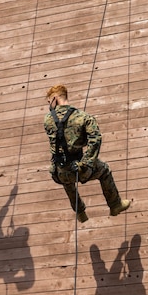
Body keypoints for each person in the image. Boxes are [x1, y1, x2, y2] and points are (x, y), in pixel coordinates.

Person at [44, 84, 132, 223]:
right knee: (104, 171)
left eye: (49, 102)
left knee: (67, 182)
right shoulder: (84, 117)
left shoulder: (48, 120)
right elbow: (95, 140)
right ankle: (115, 205)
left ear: (54, 99)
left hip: (58, 172)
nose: (50, 105)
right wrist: (85, 163)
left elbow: (60, 139)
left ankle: (80, 212)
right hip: (80, 169)